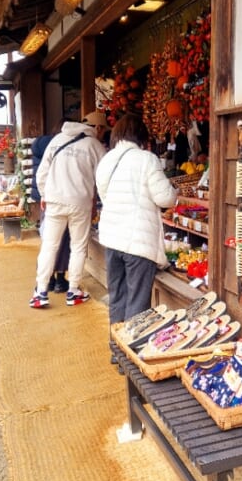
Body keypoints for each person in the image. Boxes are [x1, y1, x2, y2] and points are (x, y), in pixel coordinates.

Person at [96, 112, 178, 326]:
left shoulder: (106, 160)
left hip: (112, 239)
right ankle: (132, 354)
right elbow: (164, 198)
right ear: (141, 136)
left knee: (118, 297)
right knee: (138, 303)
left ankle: (117, 350)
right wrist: (175, 193)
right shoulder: (146, 159)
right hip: (138, 242)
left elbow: (104, 195)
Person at [29, 110, 108, 309]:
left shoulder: (56, 140)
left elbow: (42, 173)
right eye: (103, 129)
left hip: (54, 200)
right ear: (97, 128)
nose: (103, 134)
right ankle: (73, 290)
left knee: (49, 245)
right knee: (78, 246)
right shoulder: (94, 145)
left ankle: (40, 291)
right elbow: (104, 176)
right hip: (80, 202)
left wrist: (45, 196)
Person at [31, 120, 70, 293]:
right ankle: (60, 279)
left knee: (48, 239)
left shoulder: (40, 145)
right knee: (62, 240)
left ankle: (47, 281)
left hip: (44, 198)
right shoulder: (63, 146)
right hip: (57, 197)